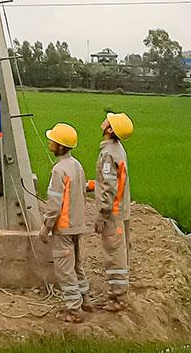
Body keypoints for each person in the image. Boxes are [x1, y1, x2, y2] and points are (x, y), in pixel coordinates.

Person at [38, 122, 91, 323]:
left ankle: (74, 309)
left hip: (64, 227)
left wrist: (46, 227)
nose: (49, 142)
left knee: (64, 269)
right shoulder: (76, 165)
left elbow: (54, 205)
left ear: (60, 145)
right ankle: (86, 299)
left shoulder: (59, 170)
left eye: (52, 140)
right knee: (77, 264)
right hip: (77, 225)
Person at [89, 111, 134, 311]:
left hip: (112, 213)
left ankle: (118, 298)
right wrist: (93, 185)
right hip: (121, 209)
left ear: (109, 129)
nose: (105, 119)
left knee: (114, 253)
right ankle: (118, 294)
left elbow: (109, 187)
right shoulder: (118, 149)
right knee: (120, 250)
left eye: (109, 120)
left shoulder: (108, 153)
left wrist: (101, 214)